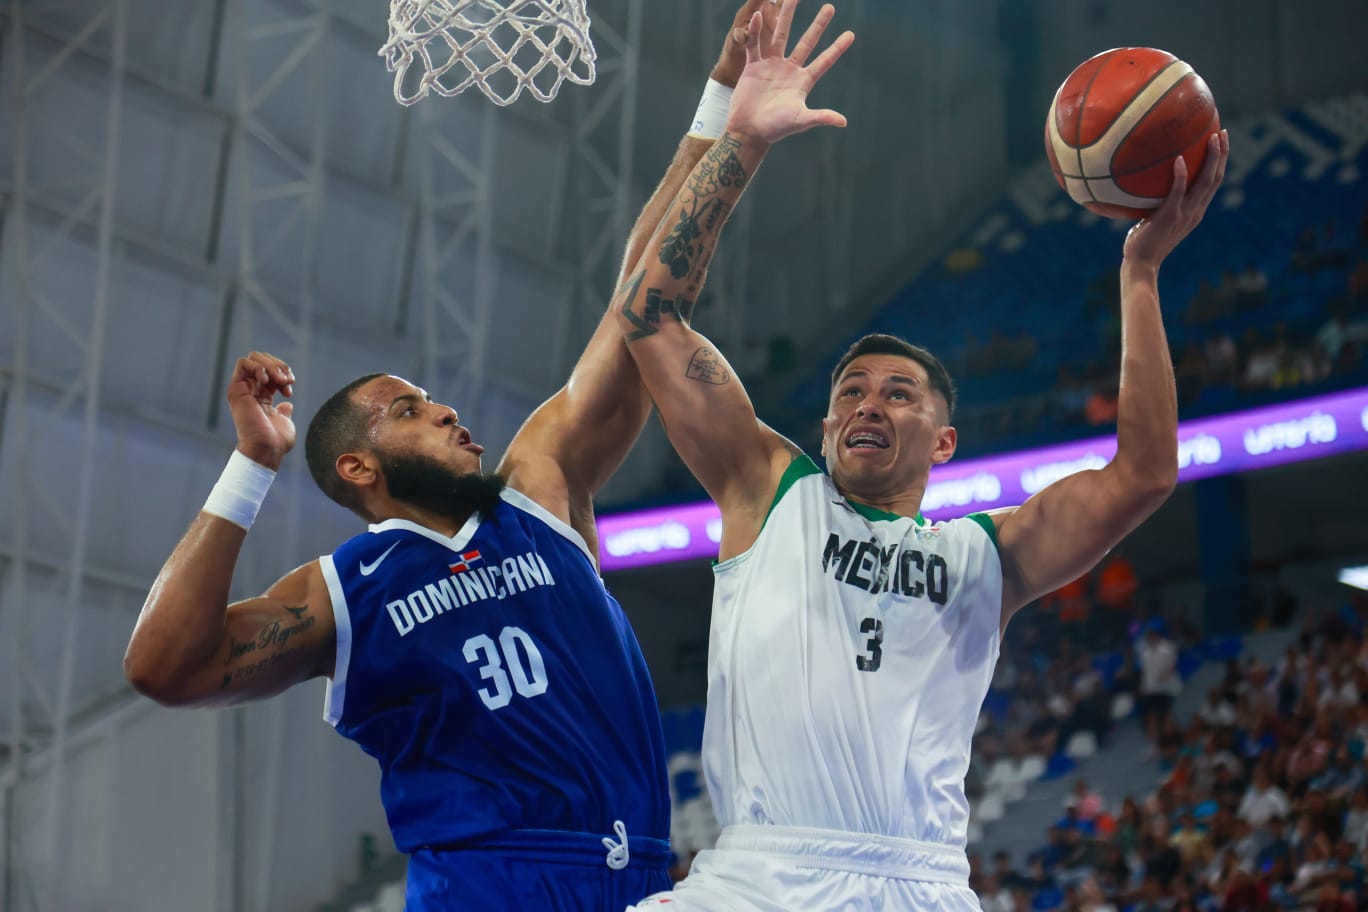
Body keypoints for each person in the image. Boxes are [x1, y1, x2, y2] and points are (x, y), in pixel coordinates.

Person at [120, 4, 784, 909]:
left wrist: (719, 108)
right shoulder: (346, 590)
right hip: (487, 885)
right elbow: (164, 668)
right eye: (411, 410)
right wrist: (253, 466)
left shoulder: (539, 492)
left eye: (438, 403)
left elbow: (641, 303)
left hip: (642, 881)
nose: (450, 416)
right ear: (359, 466)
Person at [616, 0, 1230, 906]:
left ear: (943, 440)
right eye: (849, 393)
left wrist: (1140, 276)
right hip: (757, 877)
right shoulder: (768, 488)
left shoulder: (986, 555)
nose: (867, 404)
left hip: (920, 884)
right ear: (825, 429)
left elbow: (1143, 475)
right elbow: (647, 317)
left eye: (897, 393)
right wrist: (738, 139)